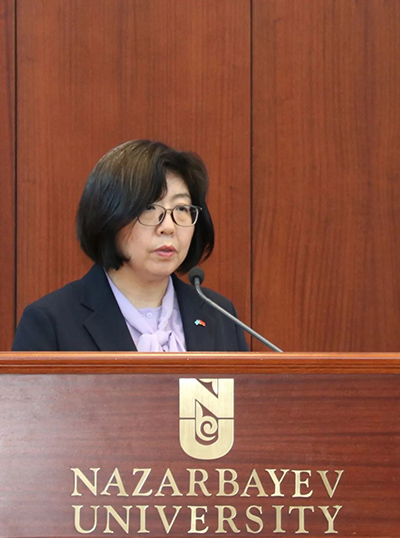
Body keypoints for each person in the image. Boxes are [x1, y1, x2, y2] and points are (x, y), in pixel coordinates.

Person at [12, 140, 248, 352]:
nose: (168, 227)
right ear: (108, 216)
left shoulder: (220, 315)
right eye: (149, 208)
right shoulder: (50, 323)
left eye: (181, 208)